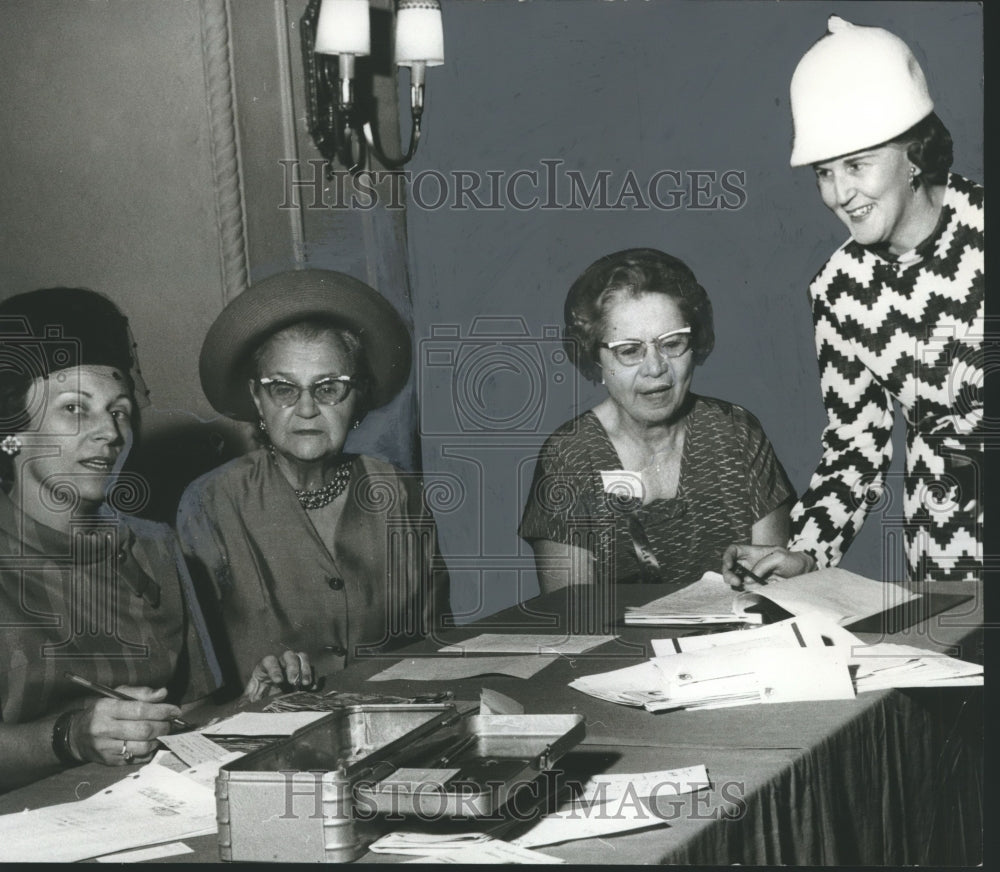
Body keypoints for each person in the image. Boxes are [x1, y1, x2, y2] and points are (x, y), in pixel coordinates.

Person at [722, 16, 983, 588]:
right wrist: (807, 549)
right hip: (947, 561)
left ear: (913, 153)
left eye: (857, 165)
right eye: (824, 173)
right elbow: (856, 443)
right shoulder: (838, 289)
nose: (840, 195)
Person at [177, 269, 451, 693]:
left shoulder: (399, 493)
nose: (306, 409)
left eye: (328, 388)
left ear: (356, 395)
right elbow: (193, 681)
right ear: (257, 399)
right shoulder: (212, 502)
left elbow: (438, 645)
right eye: (283, 389)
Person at [0, 287, 222, 792]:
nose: (109, 431)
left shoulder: (155, 547)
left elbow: (192, 708)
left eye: (119, 410)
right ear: (11, 430)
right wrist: (69, 736)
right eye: (76, 409)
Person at [519, 248, 794, 593]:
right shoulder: (570, 457)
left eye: (672, 343)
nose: (655, 368)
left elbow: (773, 593)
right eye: (630, 350)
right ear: (594, 358)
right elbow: (573, 619)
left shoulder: (737, 433)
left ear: (695, 344)